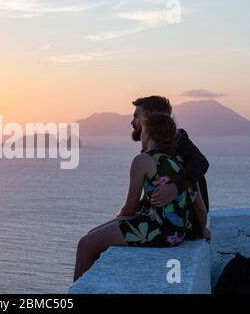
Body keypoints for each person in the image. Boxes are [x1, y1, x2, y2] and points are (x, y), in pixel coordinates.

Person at [73, 112, 210, 282]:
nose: (141, 136)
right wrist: (204, 230)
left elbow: (130, 208)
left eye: (143, 131)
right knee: (93, 234)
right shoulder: (182, 163)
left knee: (85, 244)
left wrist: (119, 217)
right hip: (178, 234)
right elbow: (201, 210)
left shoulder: (143, 160)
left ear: (149, 134)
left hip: (155, 230)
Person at [131, 96, 210, 240]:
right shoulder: (155, 152)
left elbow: (201, 162)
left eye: (137, 116)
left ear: (150, 118)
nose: (132, 122)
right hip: (172, 225)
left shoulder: (177, 139)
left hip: (178, 227)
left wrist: (175, 187)